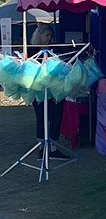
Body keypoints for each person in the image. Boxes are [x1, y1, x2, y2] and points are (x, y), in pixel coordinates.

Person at [30, 24, 70, 159]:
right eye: (47, 35)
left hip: (55, 90)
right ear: (39, 35)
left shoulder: (54, 48)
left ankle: (53, 147)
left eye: (51, 36)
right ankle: (41, 147)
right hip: (39, 90)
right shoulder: (32, 50)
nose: (49, 39)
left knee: (55, 116)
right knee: (41, 117)